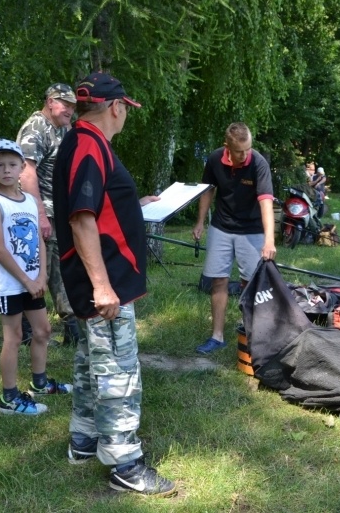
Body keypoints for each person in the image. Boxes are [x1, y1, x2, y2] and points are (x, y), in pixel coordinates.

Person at [51, 72, 175, 497]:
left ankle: (83, 441)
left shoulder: (82, 140)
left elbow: (96, 205)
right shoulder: (89, 144)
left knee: (90, 364)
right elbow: (82, 218)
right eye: (125, 109)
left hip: (97, 280)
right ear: (115, 107)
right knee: (119, 371)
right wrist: (103, 287)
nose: (125, 115)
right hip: (104, 285)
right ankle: (125, 464)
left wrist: (133, 205)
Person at [0, 139, 72, 416]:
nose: (6, 170)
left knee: (43, 331)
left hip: (34, 282)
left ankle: (40, 383)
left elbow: (40, 242)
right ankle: (8, 398)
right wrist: (26, 281)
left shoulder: (32, 201)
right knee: (14, 336)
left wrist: (42, 275)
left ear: (23, 167)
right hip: (11, 285)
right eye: (0, 165)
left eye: (12, 164)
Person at [192, 122, 277, 354]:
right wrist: (201, 221)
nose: (244, 154)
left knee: (252, 284)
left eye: (248, 148)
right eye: (239, 150)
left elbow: (266, 202)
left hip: (252, 230)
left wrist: (269, 239)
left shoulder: (258, 163)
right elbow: (208, 190)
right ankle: (217, 337)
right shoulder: (214, 159)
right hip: (221, 227)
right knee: (218, 280)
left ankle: (254, 336)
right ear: (227, 146)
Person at [17, 83, 82, 346]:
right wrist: (40, 216)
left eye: (73, 105)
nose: (70, 109)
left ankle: (70, 326)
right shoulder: (35, 128)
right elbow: (26, 173)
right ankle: (26, 331)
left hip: (58, 211)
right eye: (64, 104)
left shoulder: (62, 129)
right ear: (50, 101)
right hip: (39, 213)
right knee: (38, 272)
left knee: (59, 268)